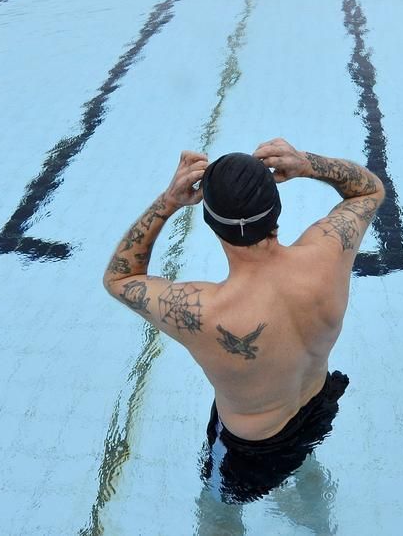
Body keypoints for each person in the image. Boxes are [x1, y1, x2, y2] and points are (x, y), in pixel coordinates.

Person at [103, 138, 384, 503]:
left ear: (211, 223)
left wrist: (168, 201)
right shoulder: (329, 252)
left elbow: (119, 279)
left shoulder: (203, 313)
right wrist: (307, 163)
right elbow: (369, 191)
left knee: (217, 511)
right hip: (319, 406)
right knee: (303, 462)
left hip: (251, 453)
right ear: (276, 208)